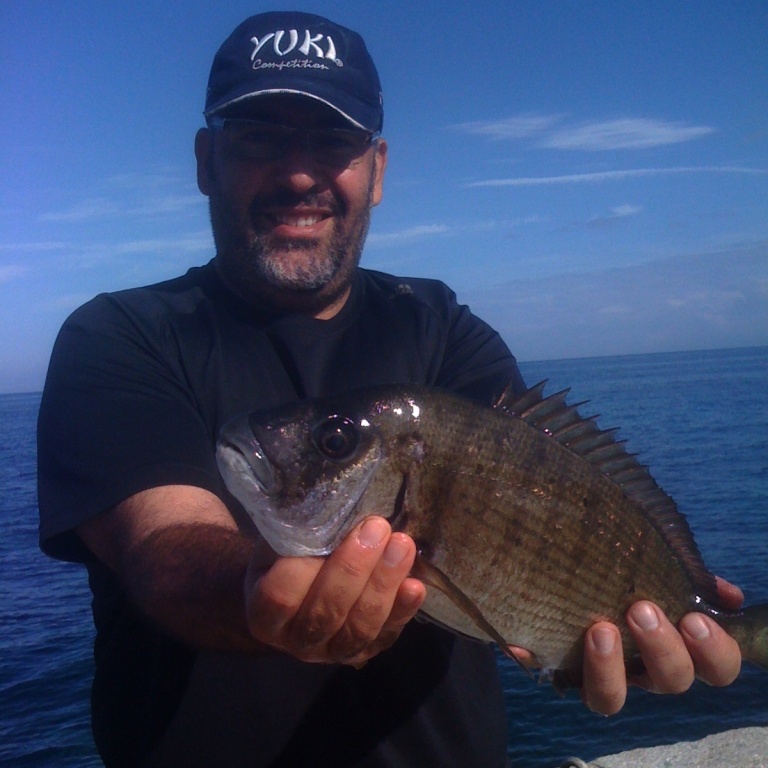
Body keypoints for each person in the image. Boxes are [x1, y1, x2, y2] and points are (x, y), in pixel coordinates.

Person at [37, 11, 743, 768]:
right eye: (259, 137)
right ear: (207, 162)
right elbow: (162, 545)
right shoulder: (119, 336)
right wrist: (253, 588)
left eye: (333, 142)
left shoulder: (441, 327)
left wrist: (616, 641)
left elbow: (547, 519)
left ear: (377, 170)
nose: (299, 172)